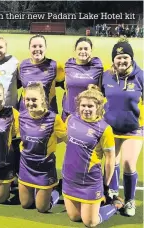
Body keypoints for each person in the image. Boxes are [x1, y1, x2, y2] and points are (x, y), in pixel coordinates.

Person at [62, 85, 122, 227]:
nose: (86, 109)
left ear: (98, 107)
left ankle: (115, 205)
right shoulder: (71, 119)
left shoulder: (104, 129)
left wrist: (106, 184)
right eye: (83, 105)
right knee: (74, 217)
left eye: (90, 106)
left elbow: (110, 159)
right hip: (70, 178)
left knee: (90, 222)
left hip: (89, 181)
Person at [102, 38, 144, 217]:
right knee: (112, 162)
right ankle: (113, 195)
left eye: (125, 57)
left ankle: (129, 200)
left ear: (131, 58)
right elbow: (97, 96)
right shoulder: (106, 75)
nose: (122, 61)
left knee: (128, 163)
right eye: (118, 58)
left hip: (133, 130)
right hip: (111, 128)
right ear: (113, 59)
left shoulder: (140, 76)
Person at [18, 82, 66, 212]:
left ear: (43, 100)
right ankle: (39, 194)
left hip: (44, 167)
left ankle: (55, 192)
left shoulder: (53, 118)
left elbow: (65, 136)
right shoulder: (21, 116)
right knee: (25, 204)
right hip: (26, 164)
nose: (30, 103)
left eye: (34, 99)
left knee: (42, 208)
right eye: (27, 99)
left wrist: (52, 142)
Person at [60, 37, 103, 121]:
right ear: (75, 50)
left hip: (89, 115)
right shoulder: (68, 65)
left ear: (91, 51)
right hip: (68, 114)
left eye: (86, 49)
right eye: (80, 49)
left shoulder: (98, 66)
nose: (83, 51)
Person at [19, 34, 64, 113]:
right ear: (29, 48)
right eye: (34, 46)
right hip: (25, 114)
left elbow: (70, 86)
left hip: (48, 114)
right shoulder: (22, 65)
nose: (37, 49)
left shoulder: (55, 66)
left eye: (40, 46)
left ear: (45, 48)